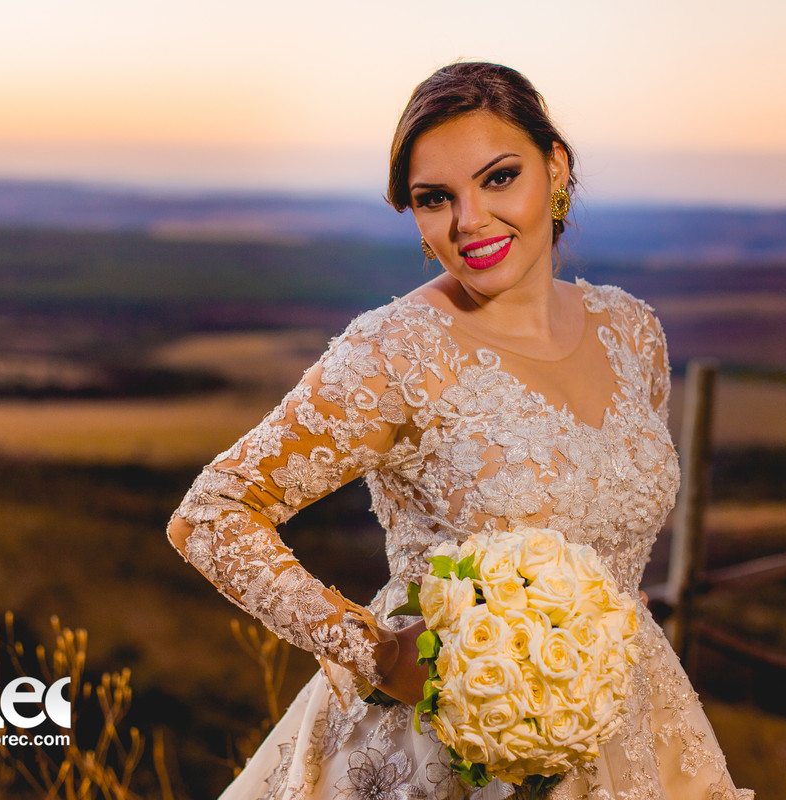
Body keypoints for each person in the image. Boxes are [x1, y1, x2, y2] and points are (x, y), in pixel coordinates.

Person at [167, 61, 753, 800]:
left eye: (498, 178)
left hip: (632, 726)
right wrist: (372, 650)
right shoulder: (395, 353)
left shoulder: (632, 332)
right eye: (434, 198)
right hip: (448, 747)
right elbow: (211, 515)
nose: (468, 220)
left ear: (556, 167)